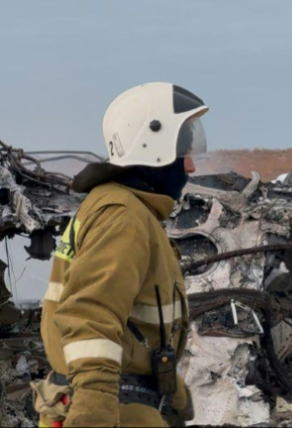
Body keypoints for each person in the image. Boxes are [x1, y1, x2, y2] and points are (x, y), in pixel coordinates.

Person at [32, 82, 208, 426]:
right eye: (184, 153)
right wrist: (93, 411)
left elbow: (137, 327)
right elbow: (91, 314)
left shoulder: (127, 210)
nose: (191, 168)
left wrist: (172, 391)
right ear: (154, 146)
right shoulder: (123, 215)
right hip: (115, 410)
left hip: (130, 405)